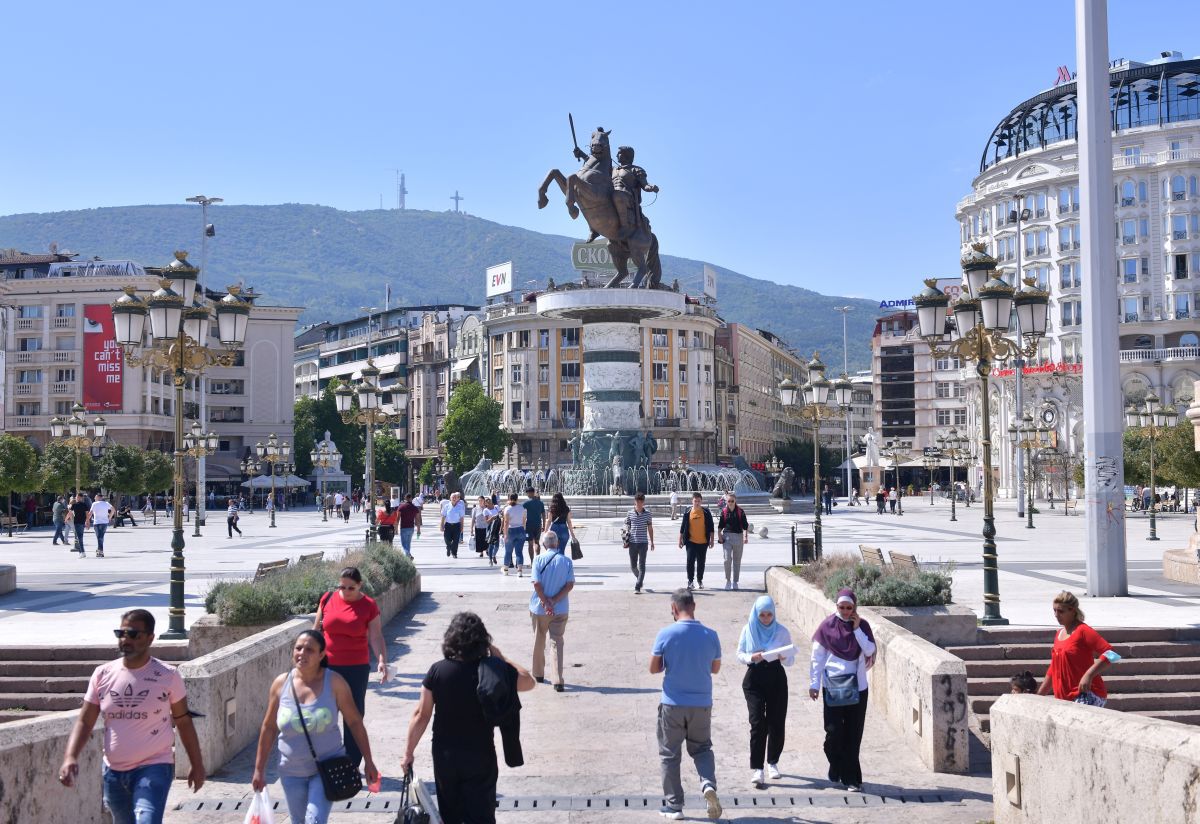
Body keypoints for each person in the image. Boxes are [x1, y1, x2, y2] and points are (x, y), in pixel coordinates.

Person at [58, 609, 206, 823]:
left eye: (134, 634)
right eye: (122, 633)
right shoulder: (102, 674)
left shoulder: (167, 675)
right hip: (113, 772)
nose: (126, 639)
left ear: (150, 638)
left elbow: (183, 720)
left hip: (154, 766)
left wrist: (197, 763)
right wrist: (70, 757)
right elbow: (86, 720)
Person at [401, 613, 535, 824]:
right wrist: (502, 658)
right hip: (480, 754)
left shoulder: (437, 671)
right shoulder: (492, 671)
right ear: (483, 641)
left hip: (446, 756)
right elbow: (529, 681)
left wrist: (408, 752)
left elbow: (421, 715)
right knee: (482, 814)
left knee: (450, 814)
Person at [253, 630, 379, 824]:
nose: (302, 653)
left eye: (310, 649)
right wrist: (259, 769)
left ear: (322, 655)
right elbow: (269, 727)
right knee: (298, 821)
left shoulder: (335, 682)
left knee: (315, 821)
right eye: (298, 648)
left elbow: (354, 722)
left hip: (327, 768)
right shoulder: (281, 684)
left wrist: (368, 761)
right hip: (290, 770)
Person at [650, 589, 723, 821]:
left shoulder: (665, 634)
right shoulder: (711, 635)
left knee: (670, 755)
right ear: (694, 606)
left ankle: (675, 806)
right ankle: (708, 785)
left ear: (673, 608)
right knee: (702, 749)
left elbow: (653, 668)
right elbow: (715, 668)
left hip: (672, 704)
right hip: (701, 703)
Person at [314, 567, 388, 768]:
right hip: (327, 667)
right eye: (342, 587)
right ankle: (325, 759)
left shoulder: (368, 606)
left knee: (353, 715)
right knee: (324, 714)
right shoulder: (328, 598)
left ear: (360, 586)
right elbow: (316, 632)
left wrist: (381, 660)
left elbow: (376, 636)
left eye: (351, 588)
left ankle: (351, 764)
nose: (346, 591)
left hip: (356, 667)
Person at [809, 588, 876, 792]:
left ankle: (851, 779)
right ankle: (835, 764)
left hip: (858, 688)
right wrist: (813, 684)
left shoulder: (862, 626)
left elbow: (870, 650)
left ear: (855, 607)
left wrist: (856, 629)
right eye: (842, 607)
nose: (846, 611)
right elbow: (817, 658)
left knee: (853, 734)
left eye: (849, 607)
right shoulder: (827, 626)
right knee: (833, 734)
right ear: (836, 606)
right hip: (833, 687)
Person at [737, 595, 794, 788]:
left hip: (776, 678)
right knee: (757, 722)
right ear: (756, 614)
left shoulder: (782, 632)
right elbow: (740, 654)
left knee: (776, 722)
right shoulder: (748, 629)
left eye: (770, 614)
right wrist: (751, 657)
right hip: (754, 679)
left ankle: (773, 762)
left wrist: (782, 656)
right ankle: (757, 768)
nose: (766, 618)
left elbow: (791, 660)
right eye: (762, 615)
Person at [1036, 590, 1119, 706]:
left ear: (1072, 611)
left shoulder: (1083, 631)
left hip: (1086, 694)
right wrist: (1040, 695)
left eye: (1061, 611)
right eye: (1054, 610)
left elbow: (1113, 654)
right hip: (1064, 697)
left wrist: (1088, 675)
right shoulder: (1059, 634)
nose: (1056, 615)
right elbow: (1054, 668)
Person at [530, 531, 575, 692]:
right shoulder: (566, 561)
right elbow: (570, 585)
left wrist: (545, 602)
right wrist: (554, 601)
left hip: (540, 609)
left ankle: (538, 673)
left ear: (544, 544)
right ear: (557, 543)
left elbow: (536, 583)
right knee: (557, 642)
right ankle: (558, 678)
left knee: (539, 640)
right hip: (561, 608)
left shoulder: (538, 559)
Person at [678, 492, 715, 591]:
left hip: (703, 542)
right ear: (692, 501)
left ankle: (700, 580)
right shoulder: (688, 511)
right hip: (690, 542)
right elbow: (683, 527)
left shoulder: (706, 512)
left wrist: (712, 540)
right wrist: (680, 539)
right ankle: (690, 581)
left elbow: (711, 527)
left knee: (701, 563)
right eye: (695, 501)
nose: (697, 503)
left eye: (699, 501)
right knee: (690, 562)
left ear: (701, 501)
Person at [717, 492, 749, 591]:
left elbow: (745, 526)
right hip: (727, 537)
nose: (730, 503)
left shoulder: (740, 511)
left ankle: (735, 581)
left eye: (732, 501)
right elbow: (720, 526)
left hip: (738, 537)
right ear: (726, 501)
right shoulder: (724, 511)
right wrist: (719, 536)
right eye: (728, 501)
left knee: (737, 561)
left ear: (735, 501)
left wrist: (745, 536)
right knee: (727, 560)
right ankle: (728, 580)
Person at [624, 493, 655, 593]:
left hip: (643, 543)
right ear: (635, 501)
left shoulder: (648, 514)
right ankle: (640, 579)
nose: (639, 503)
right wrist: (625, 540)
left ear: (643, 502)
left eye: (641, 501)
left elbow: (650, 528)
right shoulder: (630, 513)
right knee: (633, 566)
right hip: (632, 543)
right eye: (637, 501)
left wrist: (652, 541)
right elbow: (626, 527)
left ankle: (637, 586)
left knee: (642, 565)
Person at [501, 492, 527, 576]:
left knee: (508, 551)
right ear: (517, 499)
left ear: (509, 499)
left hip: (510, 530)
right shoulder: (522, 508)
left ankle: (505, 569)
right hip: (520, 530)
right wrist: (523, 529)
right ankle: (519, 571)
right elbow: (524, 521)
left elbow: (506, 522)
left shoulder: (507, 509)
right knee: (519, 552)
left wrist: (505, 534)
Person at [440, 492, 467, 559]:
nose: (454, 499)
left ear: (457, 499)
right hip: (448, 525)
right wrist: (441, 525)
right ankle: (448, 547)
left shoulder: (460, 507)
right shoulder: (446, 506)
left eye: (455, 497)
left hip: (457, 525)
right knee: (447, 539)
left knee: (456, 541)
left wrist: (462, 527)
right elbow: (443, 516)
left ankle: (454, 553)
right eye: (453, 497)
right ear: (450, 498)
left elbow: (462, 518)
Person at [87, 492, 114, 558]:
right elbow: (113, 510)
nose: (94, 498)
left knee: (99, 536)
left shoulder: (94, 504)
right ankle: (99, 550)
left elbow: (90, 513)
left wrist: (87, 520)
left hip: (97, 523)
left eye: (95, 497)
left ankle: (100, 551)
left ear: (99, 497)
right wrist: (109, 517)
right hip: (104, 522)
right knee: (101, 536)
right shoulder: (106, 504)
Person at [472, 495, 497, 563]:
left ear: (484, 501)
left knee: (486, 539)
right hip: (478, 526)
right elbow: (473, 519)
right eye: (479, 501)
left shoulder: (487, 508)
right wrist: (471, 528)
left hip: (486, 526)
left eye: (482, 500)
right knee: (479, 540)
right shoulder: (475, 509)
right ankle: (481, 552)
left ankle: (487, 550)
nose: (480, 502)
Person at [524, 487, 545, 559]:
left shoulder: (527, 503)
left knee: (530, 544)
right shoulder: (540, 503)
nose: (527, 495)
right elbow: (544, 515)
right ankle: (538, 559)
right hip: (538, 525)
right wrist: (544, 525)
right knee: (537, 542)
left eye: (527, 493)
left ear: (530, 493)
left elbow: (519, 510)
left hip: (529, 525)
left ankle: (532, 561)